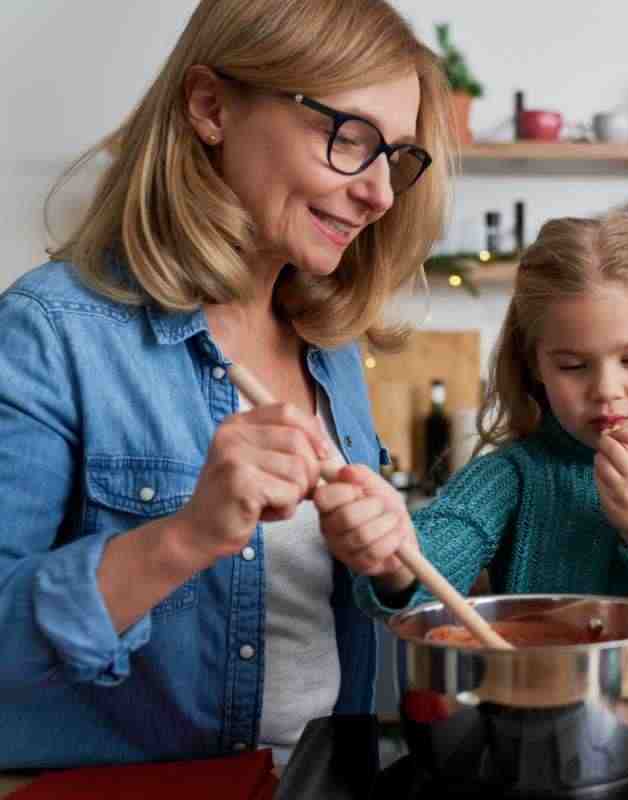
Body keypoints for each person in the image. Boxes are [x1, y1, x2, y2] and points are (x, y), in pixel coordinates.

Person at [0, 0, 453, 768]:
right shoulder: (50, 333)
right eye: (349, 137)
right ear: (211, 107)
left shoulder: (330, 350)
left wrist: (387, 564)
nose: (379, 192)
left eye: (397, 156)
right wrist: (185, 536)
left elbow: (312, 619)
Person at [315, 215, 628, 798]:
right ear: (535, 362)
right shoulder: (514, 476)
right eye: (573, 365)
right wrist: (391, 556)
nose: (607, 389)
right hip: (527, 766)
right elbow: (430, 568)